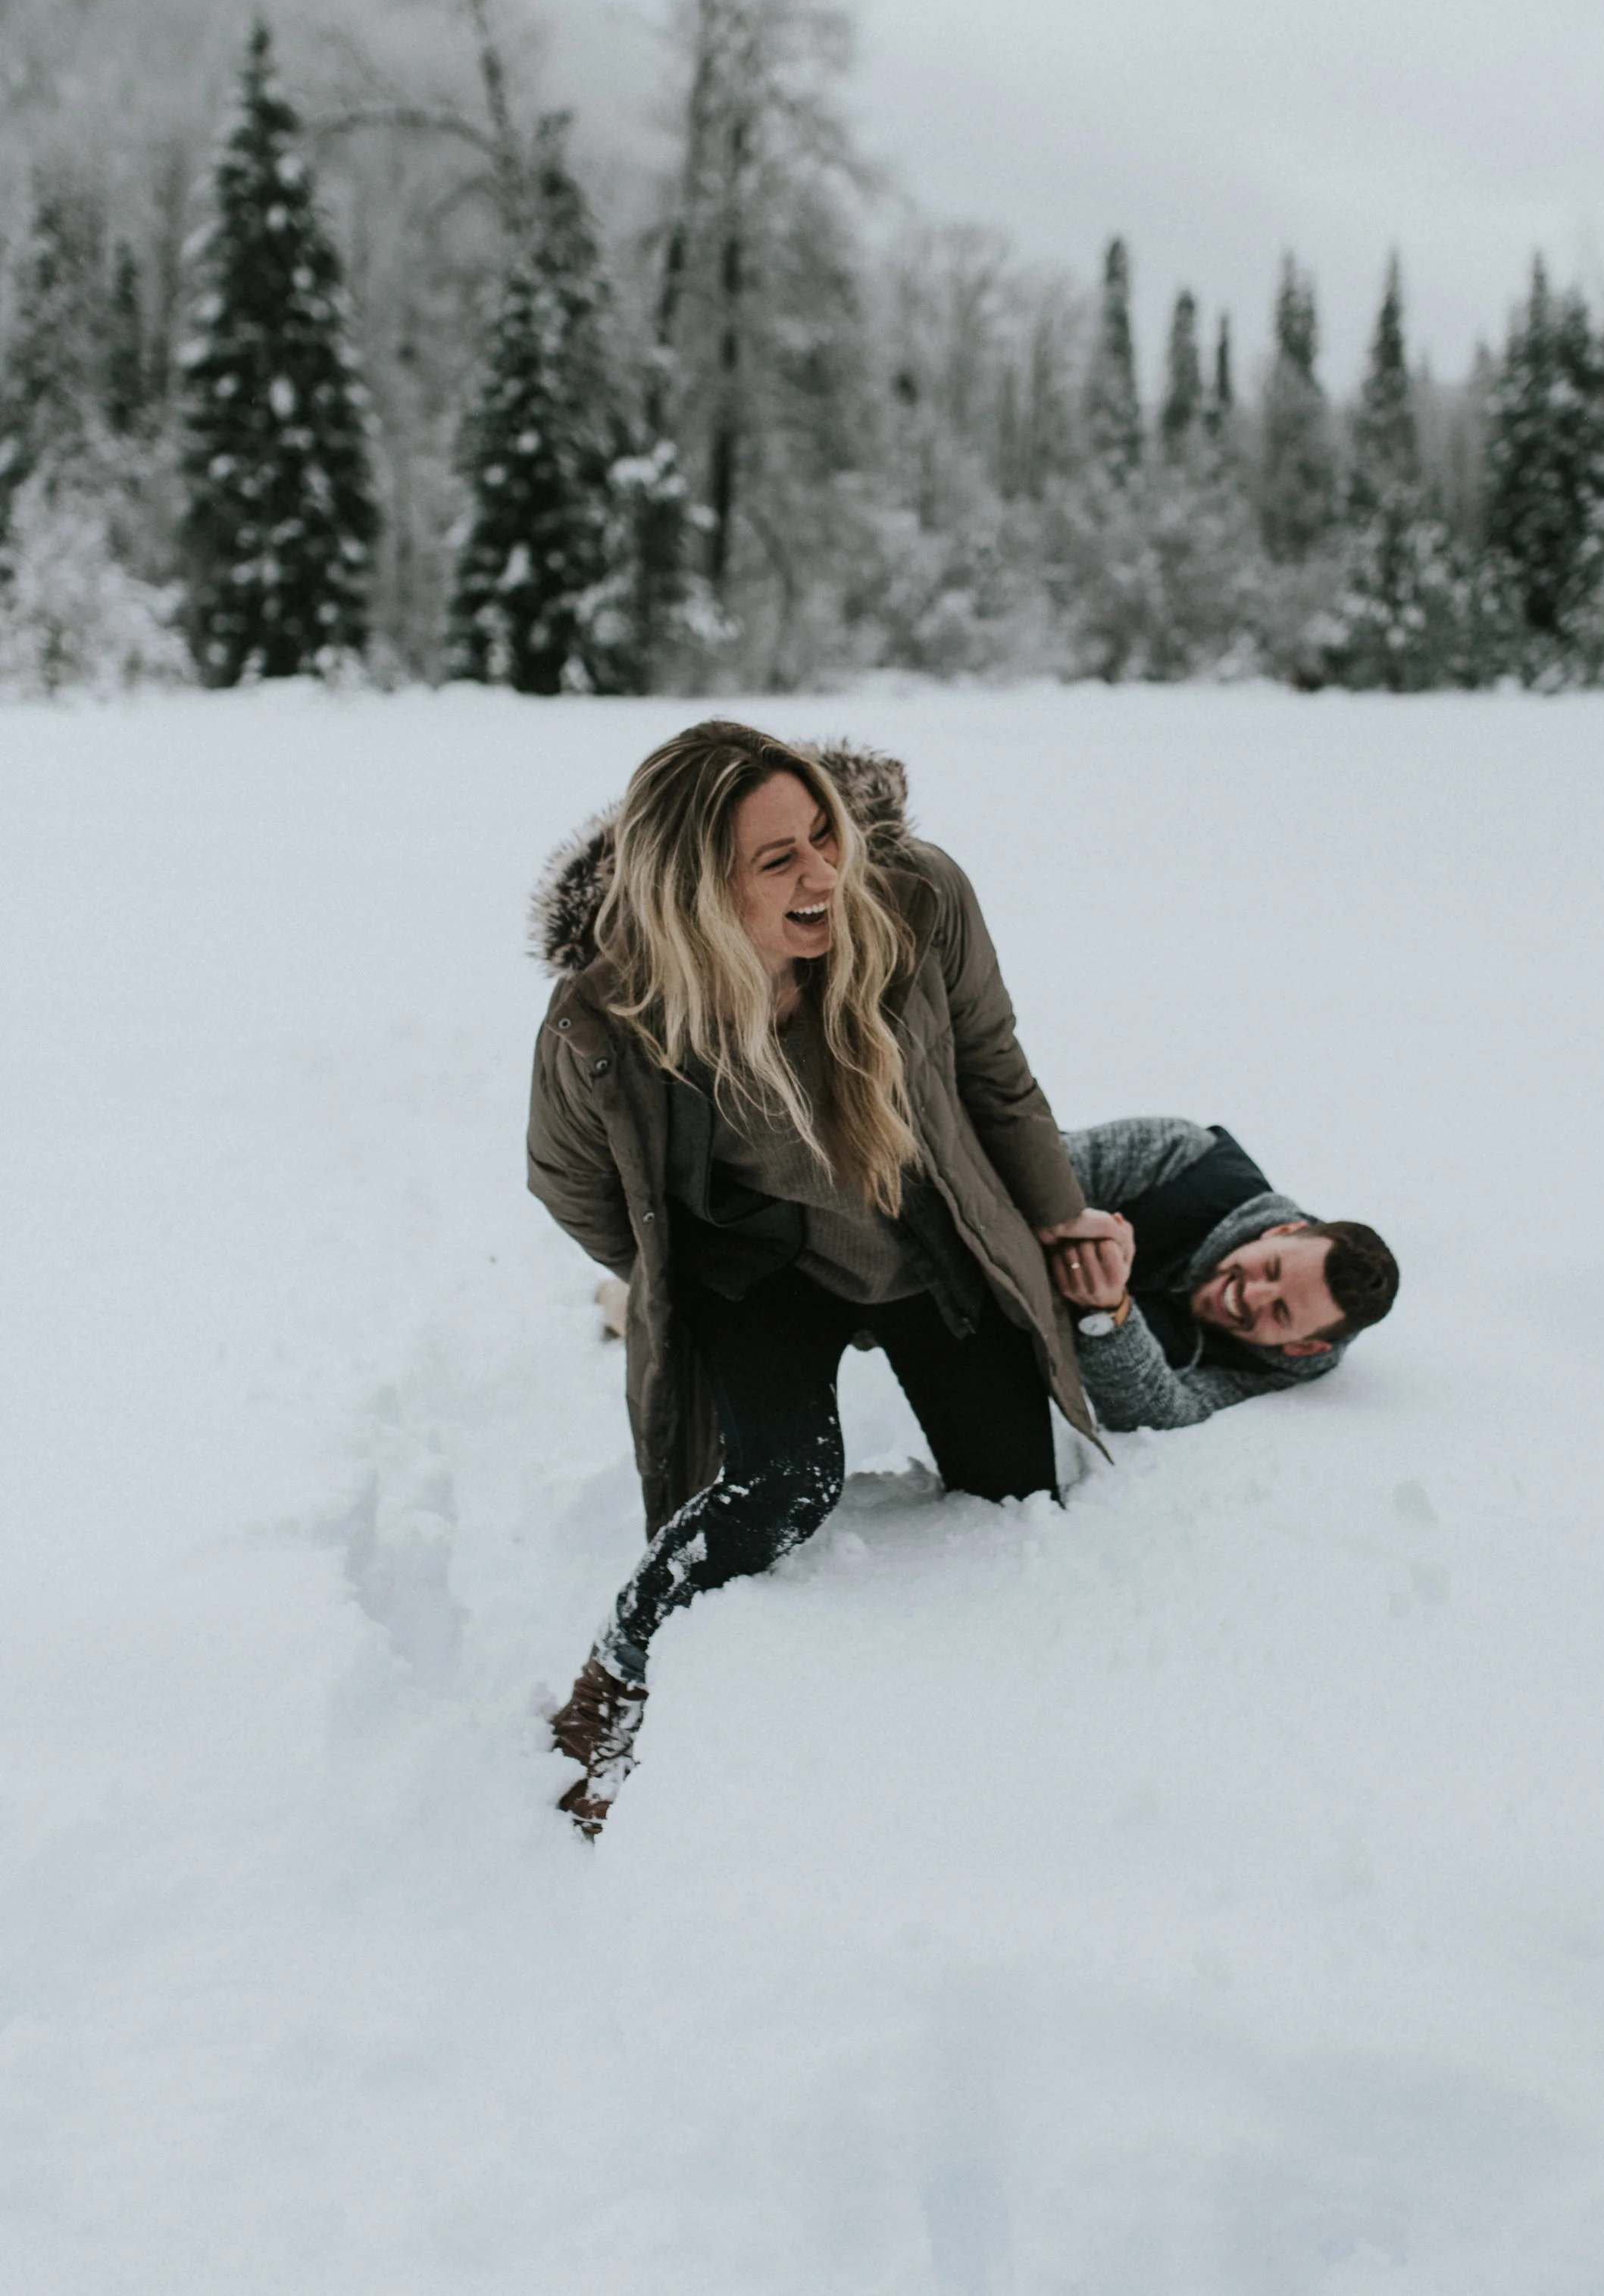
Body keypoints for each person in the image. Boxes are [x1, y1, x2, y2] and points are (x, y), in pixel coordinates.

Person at [525, 721, 1117, 1835]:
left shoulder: (920, 903)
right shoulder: (612, 1012)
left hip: (925, 1245)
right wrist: (656, 1274)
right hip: (765, 1267)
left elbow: (995, 1069)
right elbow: (570, 1181)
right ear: (697, 889)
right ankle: (619, 1670)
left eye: (823, 836)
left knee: (1012, 1491)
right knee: (782, 1483)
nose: (823, 873)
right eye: (777, 859)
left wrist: (1057, 1214)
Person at [1046, 1117, 1399, 1431]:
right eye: (1271, 1268)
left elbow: (1158, 1414)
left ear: (1303, 1346)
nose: (1252, 1295)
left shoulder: (1269, 1366)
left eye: (1280, 1312)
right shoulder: (1189, 1157)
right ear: (1280, 1232)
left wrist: (1111, 1316)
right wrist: (1076, 1234)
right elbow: (1032, 1178)